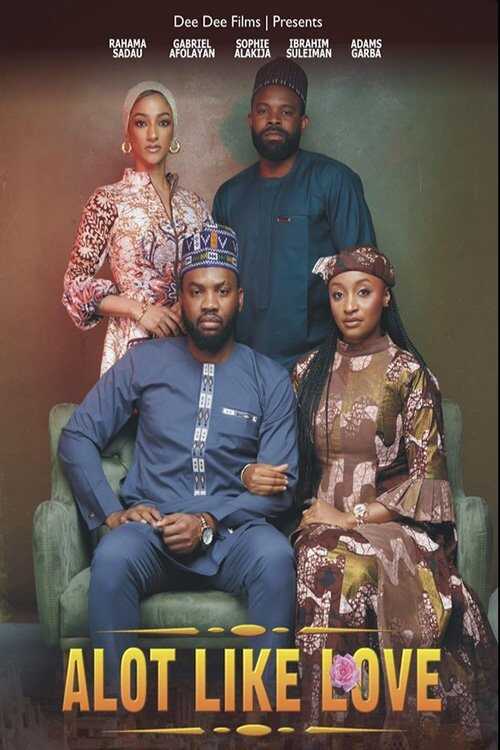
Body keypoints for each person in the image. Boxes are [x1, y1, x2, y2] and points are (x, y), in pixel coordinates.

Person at [58, 223, 297, 699]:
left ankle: (267, 710)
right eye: (196, 291)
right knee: (113, 557)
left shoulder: (269, 379)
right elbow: (77, 435)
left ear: (240, 300)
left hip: (234, 535)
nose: (209, 303)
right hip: (153, 532)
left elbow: (280, 488)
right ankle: (117, 709)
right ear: (180, 298)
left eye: (222, 291)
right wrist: (111, 513)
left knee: (275, 557)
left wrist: (207, 520)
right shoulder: (144, 362)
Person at [285, 245, 497, 745]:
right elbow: (287, 461)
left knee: (347, 564)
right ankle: (330, 728)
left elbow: (427, 480)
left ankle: (363, 728)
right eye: (338, 295)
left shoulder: (409, 374)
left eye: (363, 293)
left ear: (385, 298)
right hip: (319, 520)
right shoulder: (306, 372)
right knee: (323, 559)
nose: (349, 306)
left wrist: (352, 517)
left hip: (394, 525)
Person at [213, 58, 376, 372]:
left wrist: (353, 367)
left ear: (303, 122)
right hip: (244, 364)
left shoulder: (333, 181)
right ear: (250, 119)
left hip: (318, 364)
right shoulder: (229, 196)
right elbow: (217, 285)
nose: (273, 120)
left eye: (286, 112)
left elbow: (364, 276)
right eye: (263, 111)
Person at [63, 80, 211, 375]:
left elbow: (212, 274)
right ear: (128, 133)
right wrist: (138, 310)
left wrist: (187, 305)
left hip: (193, 347)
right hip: (134, 349)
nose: (153, 134)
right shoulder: (107, 201)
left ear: (173, 132)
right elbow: (74, 287)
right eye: (141, 123)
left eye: (163, 122)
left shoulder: (195, 205)